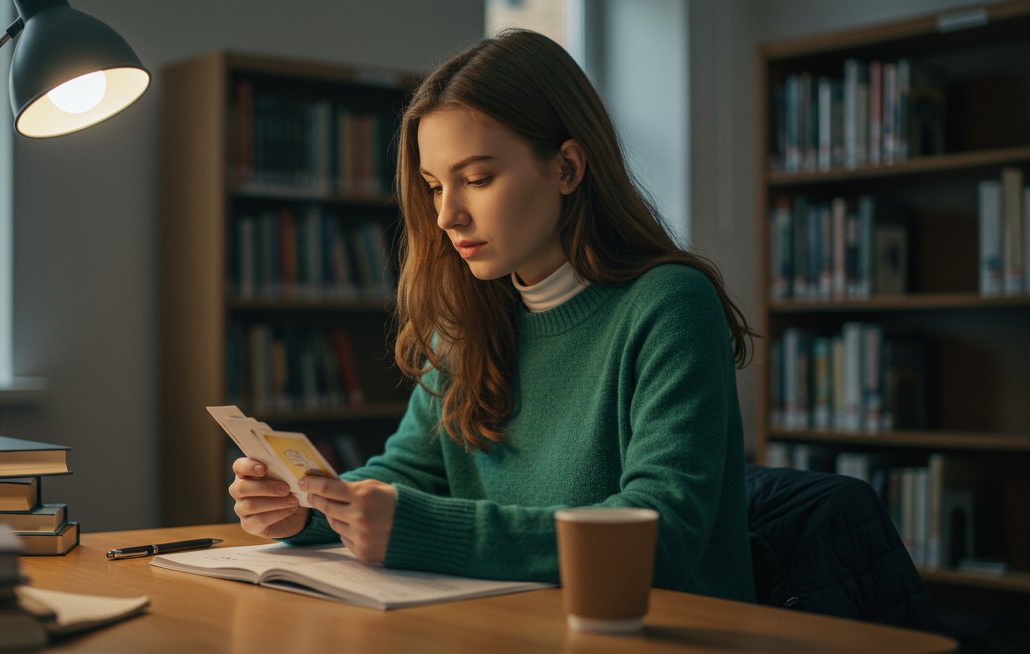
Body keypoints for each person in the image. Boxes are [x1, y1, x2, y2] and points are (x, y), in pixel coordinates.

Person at [228, 28, 757, 602]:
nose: (447, 216)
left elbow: (660, 535)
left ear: (567, 169)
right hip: (514, 623)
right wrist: (306, 508)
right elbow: (409, 473)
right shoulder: (465, 319)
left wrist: (421, 529)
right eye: (434, 187)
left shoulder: (669, 305)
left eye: (477, 179)